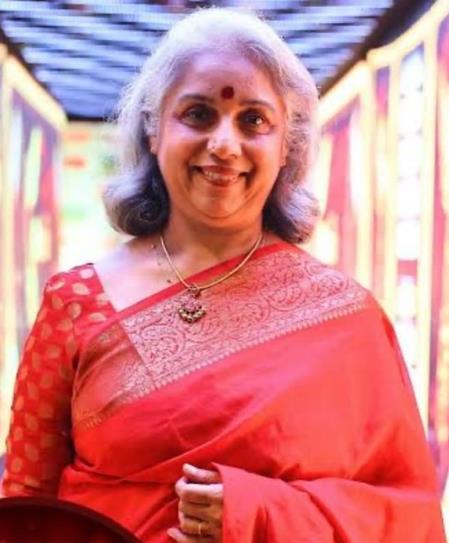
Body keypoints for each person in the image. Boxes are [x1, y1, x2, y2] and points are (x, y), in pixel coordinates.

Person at [1, 7, 446, 543]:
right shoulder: (76, 300)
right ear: (153, 128)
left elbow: (407, 517)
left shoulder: (347, 320)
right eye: (198, 114)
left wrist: (258, 512)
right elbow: (25, 509)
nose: (224, 145)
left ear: (286, 146)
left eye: (254, 120)